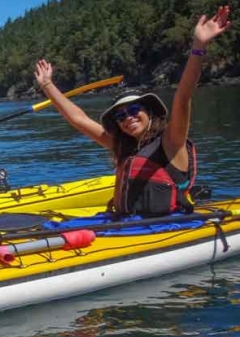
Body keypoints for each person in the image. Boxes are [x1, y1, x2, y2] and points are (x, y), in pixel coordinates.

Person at [34, 6, 231, 217]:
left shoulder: (172, 141)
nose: (128, 117)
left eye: (134, 109)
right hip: (122, 225)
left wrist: (199, 46)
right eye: (120, 116)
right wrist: (47, 85)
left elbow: (183, 97)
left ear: (149, 112)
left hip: (165, 227)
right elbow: (79, 119)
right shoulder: (121, 145)